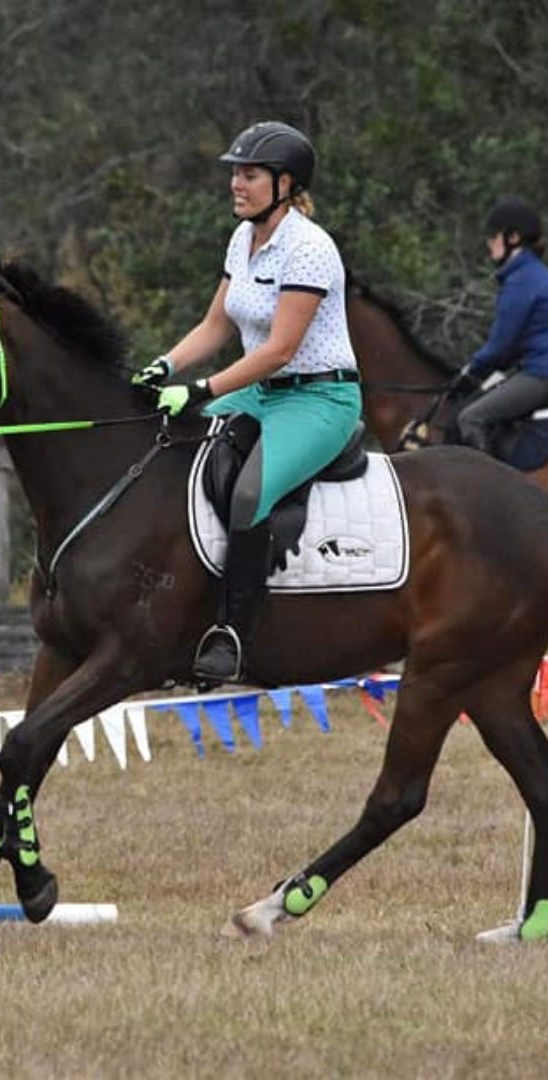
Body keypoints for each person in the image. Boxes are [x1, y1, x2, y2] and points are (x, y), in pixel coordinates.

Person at [132, 120, 362, 685]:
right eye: (235, 172)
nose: (236, 182)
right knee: (169, 444)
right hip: (262, 393)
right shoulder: (243, 237)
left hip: (320, 398)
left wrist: (203, 389)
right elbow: (216, 325)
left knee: (251, 494)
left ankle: (231, 633)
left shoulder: (310, 249)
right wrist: (166, 366)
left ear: (285, 183)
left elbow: (281, 349)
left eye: (249, 174)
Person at [454, 199, 548, 454]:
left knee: (470, 417)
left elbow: (500, 346)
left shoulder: (521, 280)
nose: (489, 243)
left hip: (547, 370)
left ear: (513, 238)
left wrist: (470, 371)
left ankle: (487, 489)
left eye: (494, 236)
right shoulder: (535, 273)